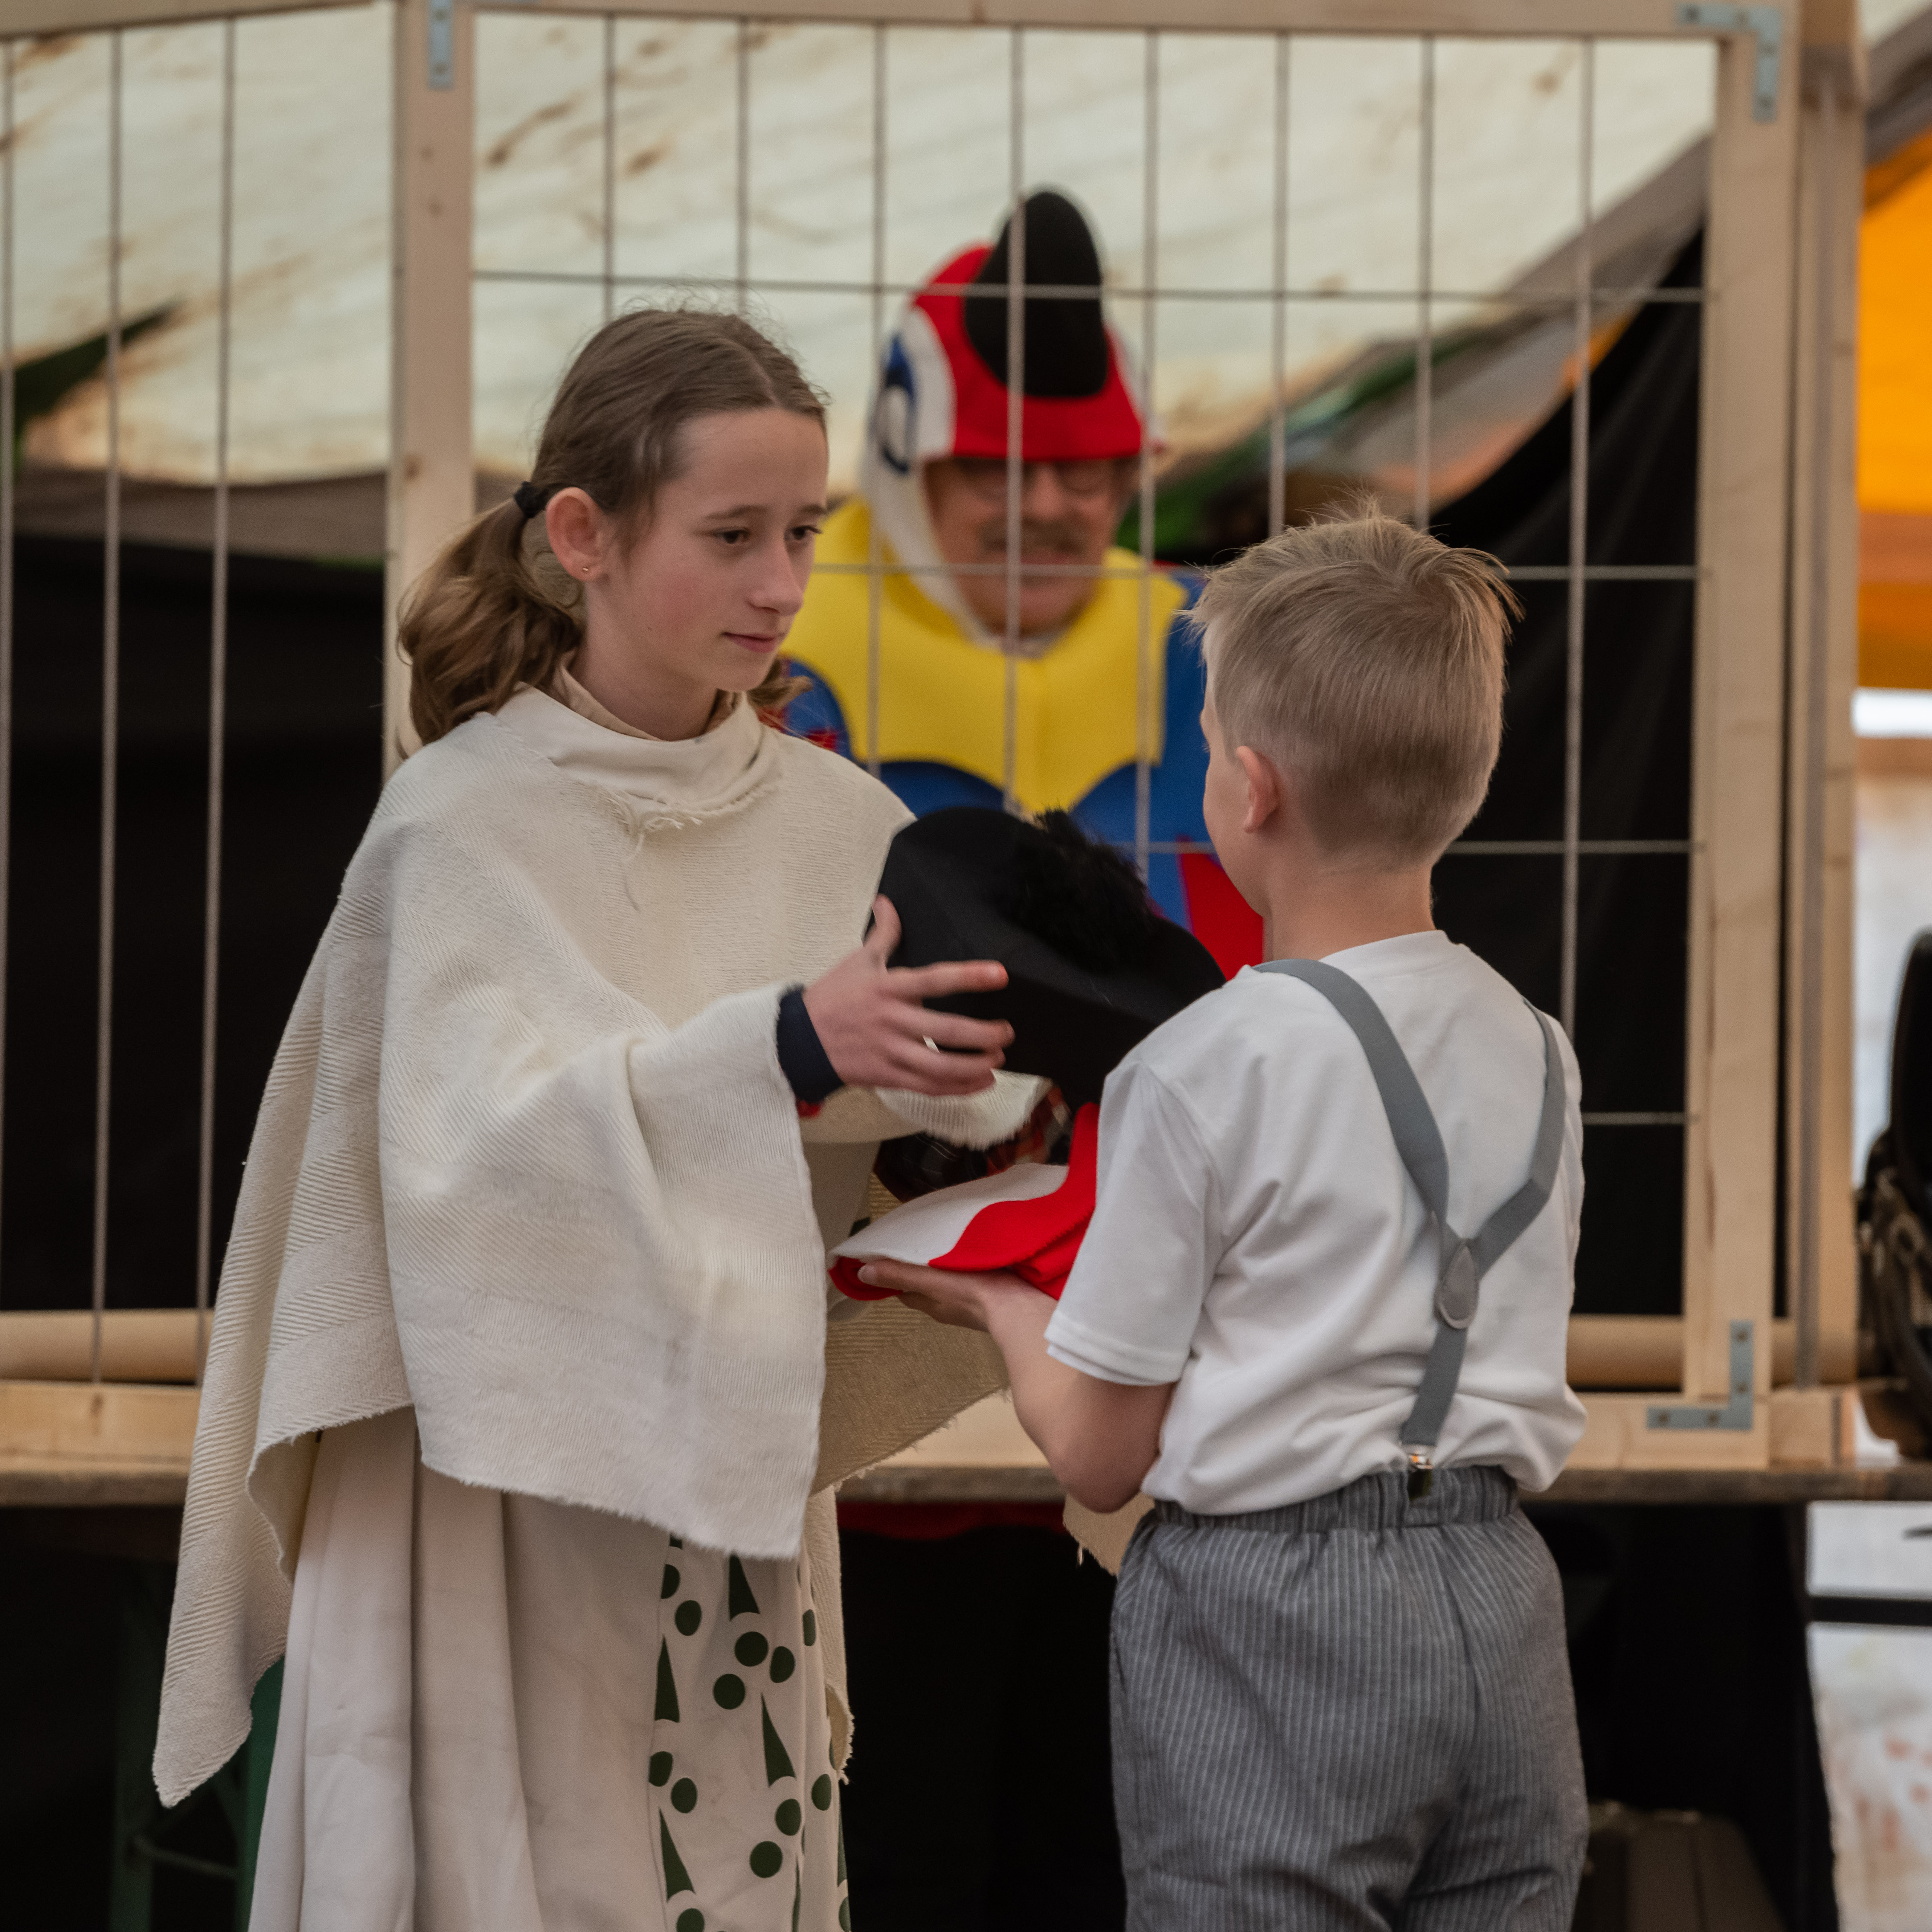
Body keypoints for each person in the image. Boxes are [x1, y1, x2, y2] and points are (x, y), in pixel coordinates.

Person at [152, 307, 1043, 1932]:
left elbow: (909, 1127)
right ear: (585, 535)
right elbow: (462, 1163)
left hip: (728, 1489)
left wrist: (959, 1132)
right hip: (488, 1506)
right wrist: (786, 1044)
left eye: (804, 532)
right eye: (732, 535)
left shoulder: (845, 824)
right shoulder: (455, 826)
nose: (781, 583)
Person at [860, 506, 1591, 1928]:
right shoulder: (1544, 1051)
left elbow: (1100, 1455)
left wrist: (997, 1299)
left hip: (1274, 1614)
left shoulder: (1198, 1065)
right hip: (1502, 1596)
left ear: (1249, 788)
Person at [783, 188, 1263, 974]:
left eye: (1081, 471)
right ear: (910, 477)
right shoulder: (775, 658)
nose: (1044, 508)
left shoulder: (1222, 650)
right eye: (996, 469)